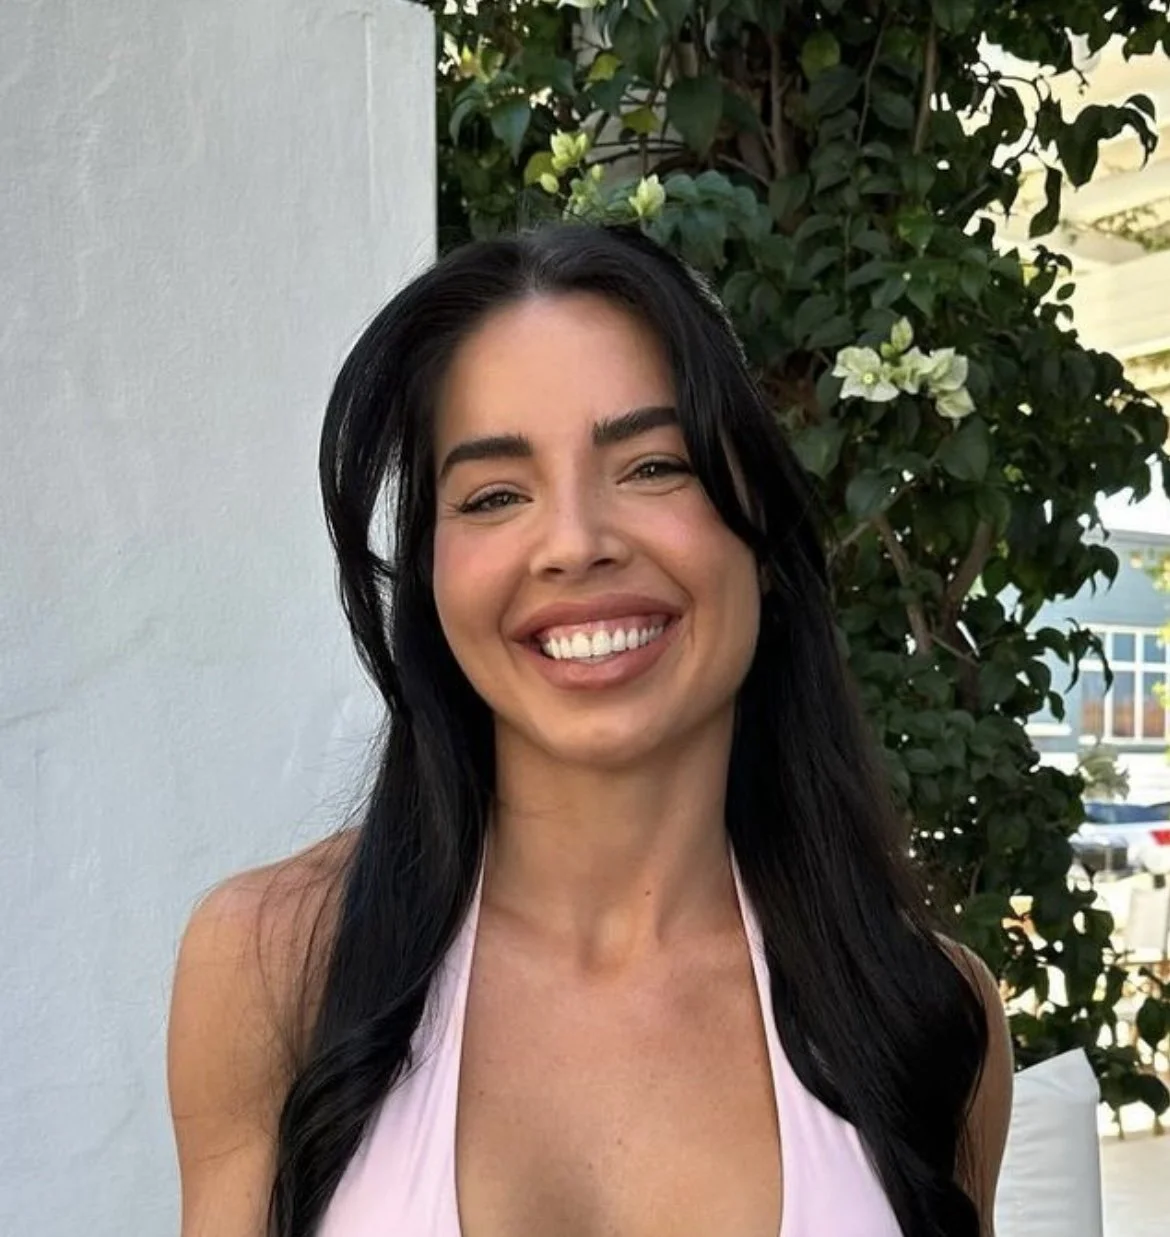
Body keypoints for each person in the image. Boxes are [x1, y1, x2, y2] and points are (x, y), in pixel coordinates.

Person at [167, 223, 1013, 1237]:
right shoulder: (273, 961)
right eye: (493, 494)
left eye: (653, 466)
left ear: (762, 533)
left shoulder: (924, 1010)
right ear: (432, 574)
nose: (574, 542)